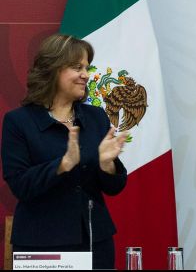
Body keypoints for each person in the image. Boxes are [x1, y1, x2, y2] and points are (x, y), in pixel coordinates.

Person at [1, 34, 128, 269]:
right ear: (52, 70)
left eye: (87, 68)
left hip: (94, 243)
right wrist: (63, 164)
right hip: (40, 245)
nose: (86, 75)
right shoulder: (19, 122)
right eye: (76, 67)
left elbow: (113, 188)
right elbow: (20, 186)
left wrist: (107, 164)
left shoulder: (96, 117)